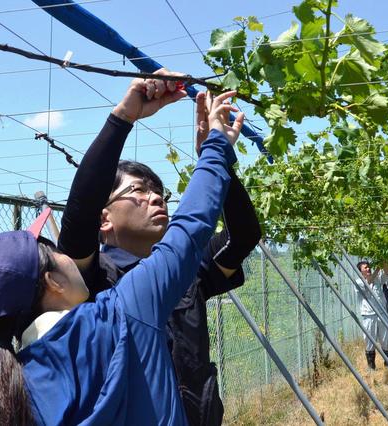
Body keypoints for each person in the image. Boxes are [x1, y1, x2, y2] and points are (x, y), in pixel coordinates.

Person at [0, 73, 245, 425]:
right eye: (137, 191)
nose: (155, 197)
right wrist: (215, 148)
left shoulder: (11, 395)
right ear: (54, 281)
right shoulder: (124, 307)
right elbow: (189, 225)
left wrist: (124, 118)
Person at [56, 88, 260, 425]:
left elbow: (244, 237)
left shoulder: (186, 273)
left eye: (158, 192)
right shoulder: (92, 281)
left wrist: (218, 158)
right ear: (104, 218)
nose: (156, 198)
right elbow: (78, 221)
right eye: (138, 190)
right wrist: (123, 117)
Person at [356, 261, 388, 370]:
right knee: (369, 341)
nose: (368, 269)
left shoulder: (378, 278)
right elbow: (368, 281)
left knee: (386, 339)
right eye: (365, 268)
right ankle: (371, 367)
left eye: (369, 267)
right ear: (360, 271)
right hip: (369, 316)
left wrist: (383, 259)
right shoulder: (358, 281)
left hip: (382, 314)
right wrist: (377, 268)